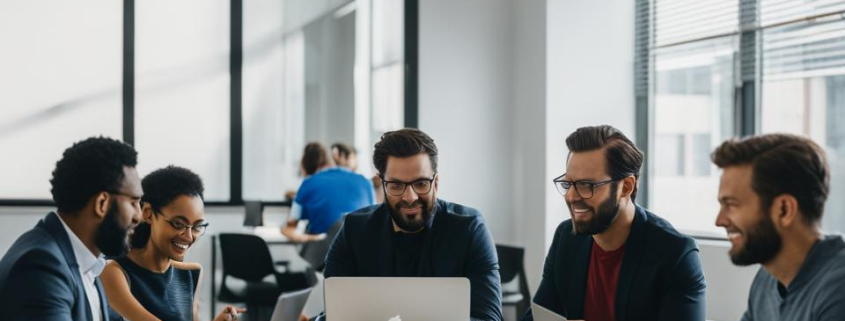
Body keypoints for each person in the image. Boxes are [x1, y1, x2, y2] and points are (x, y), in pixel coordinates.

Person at [524, 125, 706, 321]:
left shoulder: (675, 254)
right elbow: (537, 316)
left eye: (586, 185)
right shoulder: (566, 237)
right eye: (568, 184)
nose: (571, 196)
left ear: (626, 187)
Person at [322, 128, 503, 321]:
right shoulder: (353, 230)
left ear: (436, 183)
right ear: (383, 185)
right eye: (396, 186)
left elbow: (488, 318)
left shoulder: (469, 229)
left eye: (421, 183)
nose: (410, 197)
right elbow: (334, 314)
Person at [0, 136, 143, 320]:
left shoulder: (88, 262)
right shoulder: (42, 266)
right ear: (102, 203)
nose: (138, 217)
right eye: (133, 202)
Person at [712, 134, 845, 321]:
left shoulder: (838, 291)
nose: (720, 220)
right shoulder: (768, 277)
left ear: (784, 210)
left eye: (731, 204)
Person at [100, 166, 246, 321]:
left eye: (197, 226)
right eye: (178, 224)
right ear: (148, 214)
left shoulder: (191, 274)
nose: (189, 236)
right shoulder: (114, 272)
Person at [282, 142, 375, 243]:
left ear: (305, 165)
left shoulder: (308, 183)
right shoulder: (365, 182)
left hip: (325, 248)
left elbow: (290, 227)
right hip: (361, 247)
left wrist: (310, 238)